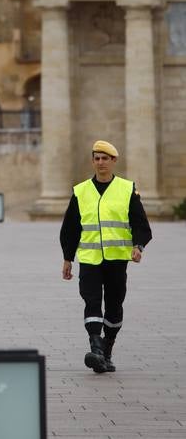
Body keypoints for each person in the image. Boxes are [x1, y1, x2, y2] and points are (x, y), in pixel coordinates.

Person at [60, 140, 152, 373]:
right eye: (96, 158)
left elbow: (141, 224)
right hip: (90, 258)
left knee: (114, 305)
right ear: (92, 161)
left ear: (113, 161)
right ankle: (96, 347)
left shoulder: (126, 189)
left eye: (105, 158)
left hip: (116, 259)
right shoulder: (80, 191)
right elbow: (70, 228)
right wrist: (67, 258)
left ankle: (107, 349)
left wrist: (138, 246)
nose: (100, 162)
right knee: (91, 301)